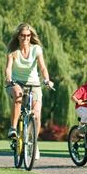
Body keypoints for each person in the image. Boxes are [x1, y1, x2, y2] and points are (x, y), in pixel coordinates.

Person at [4, 23, 54, 159]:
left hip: (34, 84)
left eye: (28, 35)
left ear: (31, 36)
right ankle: (13, 129)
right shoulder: (12, 51)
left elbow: (42, 68)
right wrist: (8, 78)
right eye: (22, 35)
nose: (25, 38)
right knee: (18, 96)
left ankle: (34, 144)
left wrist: (47, 80)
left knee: (36, 114)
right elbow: (8, 68)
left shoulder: (36, 49)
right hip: (16, 82)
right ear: (18, 36)